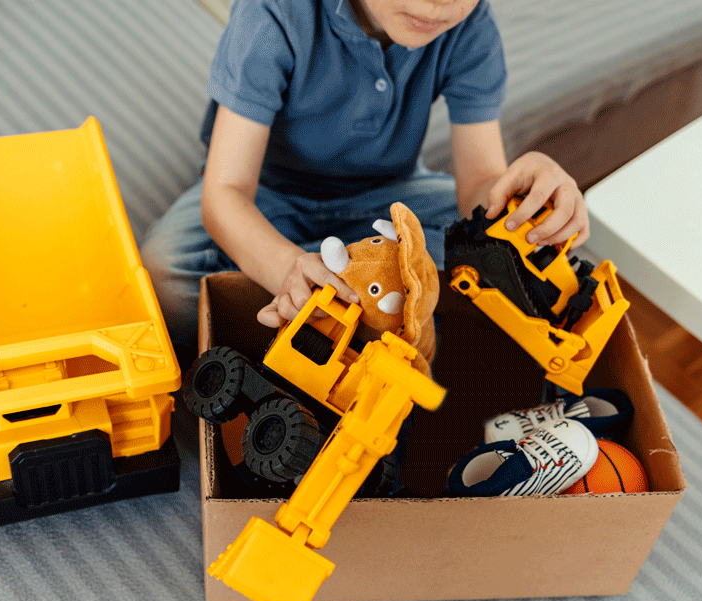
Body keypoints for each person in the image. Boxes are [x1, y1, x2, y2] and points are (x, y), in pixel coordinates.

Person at [141, 0, 590, 352]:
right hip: (267, 191)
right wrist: (284, 269)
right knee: (163, 280)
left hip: (390, 195)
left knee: (499, 261)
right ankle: (361, 291)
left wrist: (528, 183)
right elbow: (226, 191)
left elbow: (478, 189)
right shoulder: (272, 12)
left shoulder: (470, 27)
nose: (439, 6)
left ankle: (347, 291)